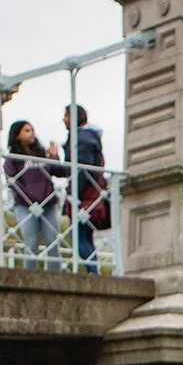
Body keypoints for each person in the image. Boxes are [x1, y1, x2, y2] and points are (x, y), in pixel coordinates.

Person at [2, 121, 61, 270]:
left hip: (48, 203)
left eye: (32, 130)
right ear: (17, 135)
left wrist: (54, 156)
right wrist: (30, 198)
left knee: (52, 241)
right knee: (31, 242)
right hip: (25, 205)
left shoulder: (42, 155)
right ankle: (30, 275)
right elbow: (12, 180)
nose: (31, 133)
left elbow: (60, 172)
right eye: (27, 130)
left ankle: (56, 277)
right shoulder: (13, 158)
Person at [60, 105, 104, 274]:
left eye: (66, 115)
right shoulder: (88, 137)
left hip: (83, 196)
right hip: (89, 194)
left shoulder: (82, 139)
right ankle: (94, 272)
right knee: (85, 236)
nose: (63, 119)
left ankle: (93, 273)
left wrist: (74, 194)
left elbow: (81, 170)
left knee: (79, 237)